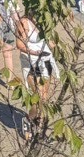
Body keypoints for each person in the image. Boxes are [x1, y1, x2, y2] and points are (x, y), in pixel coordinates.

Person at [15, 7, 56, 138]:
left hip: (46, 60)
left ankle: (39, 128)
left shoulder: (45, 22)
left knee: (44, 98)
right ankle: (28, 119)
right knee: (38, 96)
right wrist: (34, 52)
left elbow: (50, 41)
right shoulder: (24, 22)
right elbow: (19, 45)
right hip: (32, 61)